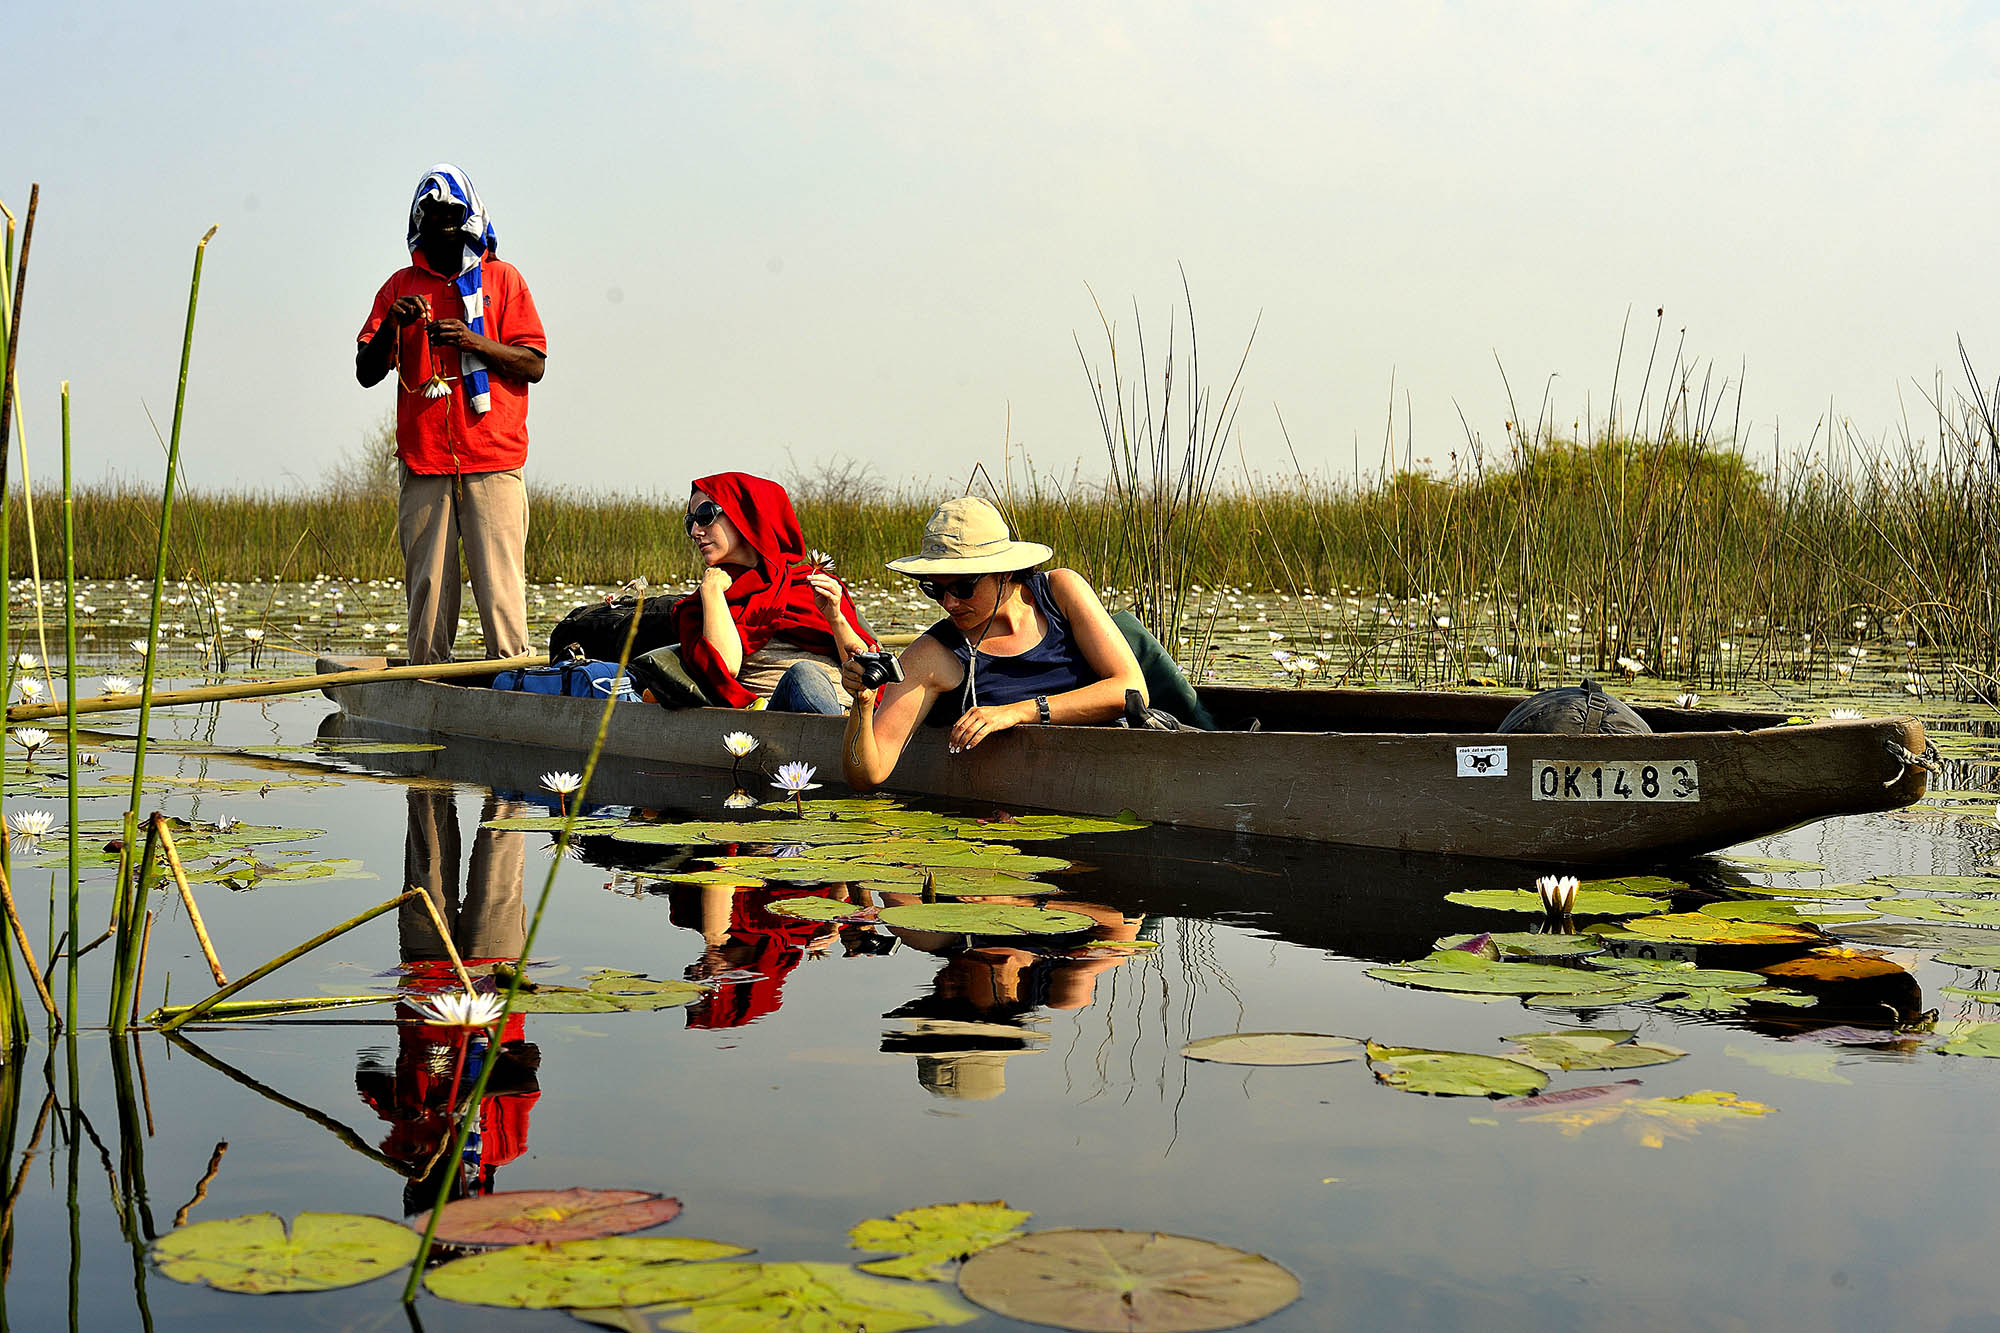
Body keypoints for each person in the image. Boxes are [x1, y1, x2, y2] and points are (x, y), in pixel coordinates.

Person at [356, 163, 547, 666]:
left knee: (502, 592)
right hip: (425, 464)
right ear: (419, 226)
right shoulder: (400, 286)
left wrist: (471, 341)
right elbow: (366, 371)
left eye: (453, 219)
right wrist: (391, 327)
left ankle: (511, 679)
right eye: (433, 219)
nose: (444, 229)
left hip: (494, 460)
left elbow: (533, 364)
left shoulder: (504, 281)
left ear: (470, 222)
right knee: (429, 593)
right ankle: (427, 681)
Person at [840, 496, 1146, 788]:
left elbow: (1131, 689)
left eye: (962, 587)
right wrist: (863, 705)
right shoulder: (933, 655)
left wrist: (1019, 711)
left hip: (1114, 771)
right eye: (934, 589)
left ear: (1004, 572)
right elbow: (869, 774)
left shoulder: (1061, 591)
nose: (948, 602)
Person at [673, 471, 875, 712]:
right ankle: (838, 740)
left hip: (852, 710)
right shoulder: (703, 604)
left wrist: (835, 618)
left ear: (745, 515)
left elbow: (865, 669)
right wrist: (712, 589)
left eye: (705, 516)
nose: (696, 531)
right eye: (690, 522)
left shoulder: (808, 584)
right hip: (779, 718)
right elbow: (726, 666)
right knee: (804, 675)